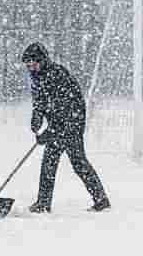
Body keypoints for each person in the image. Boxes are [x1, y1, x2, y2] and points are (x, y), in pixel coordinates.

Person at [22, 42, 110, 213]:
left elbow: (67, 107)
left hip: (72, 123)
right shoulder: (37, 78)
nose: (31, 67)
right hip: (59, 123)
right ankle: (99, 199)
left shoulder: (57, 75)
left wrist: (51, 131)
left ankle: (44, 203)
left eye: (33, 63)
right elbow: (39, 103)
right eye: (28, 65)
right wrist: (37, 121)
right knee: (59, 160)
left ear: (42, 60)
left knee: (69, 160)